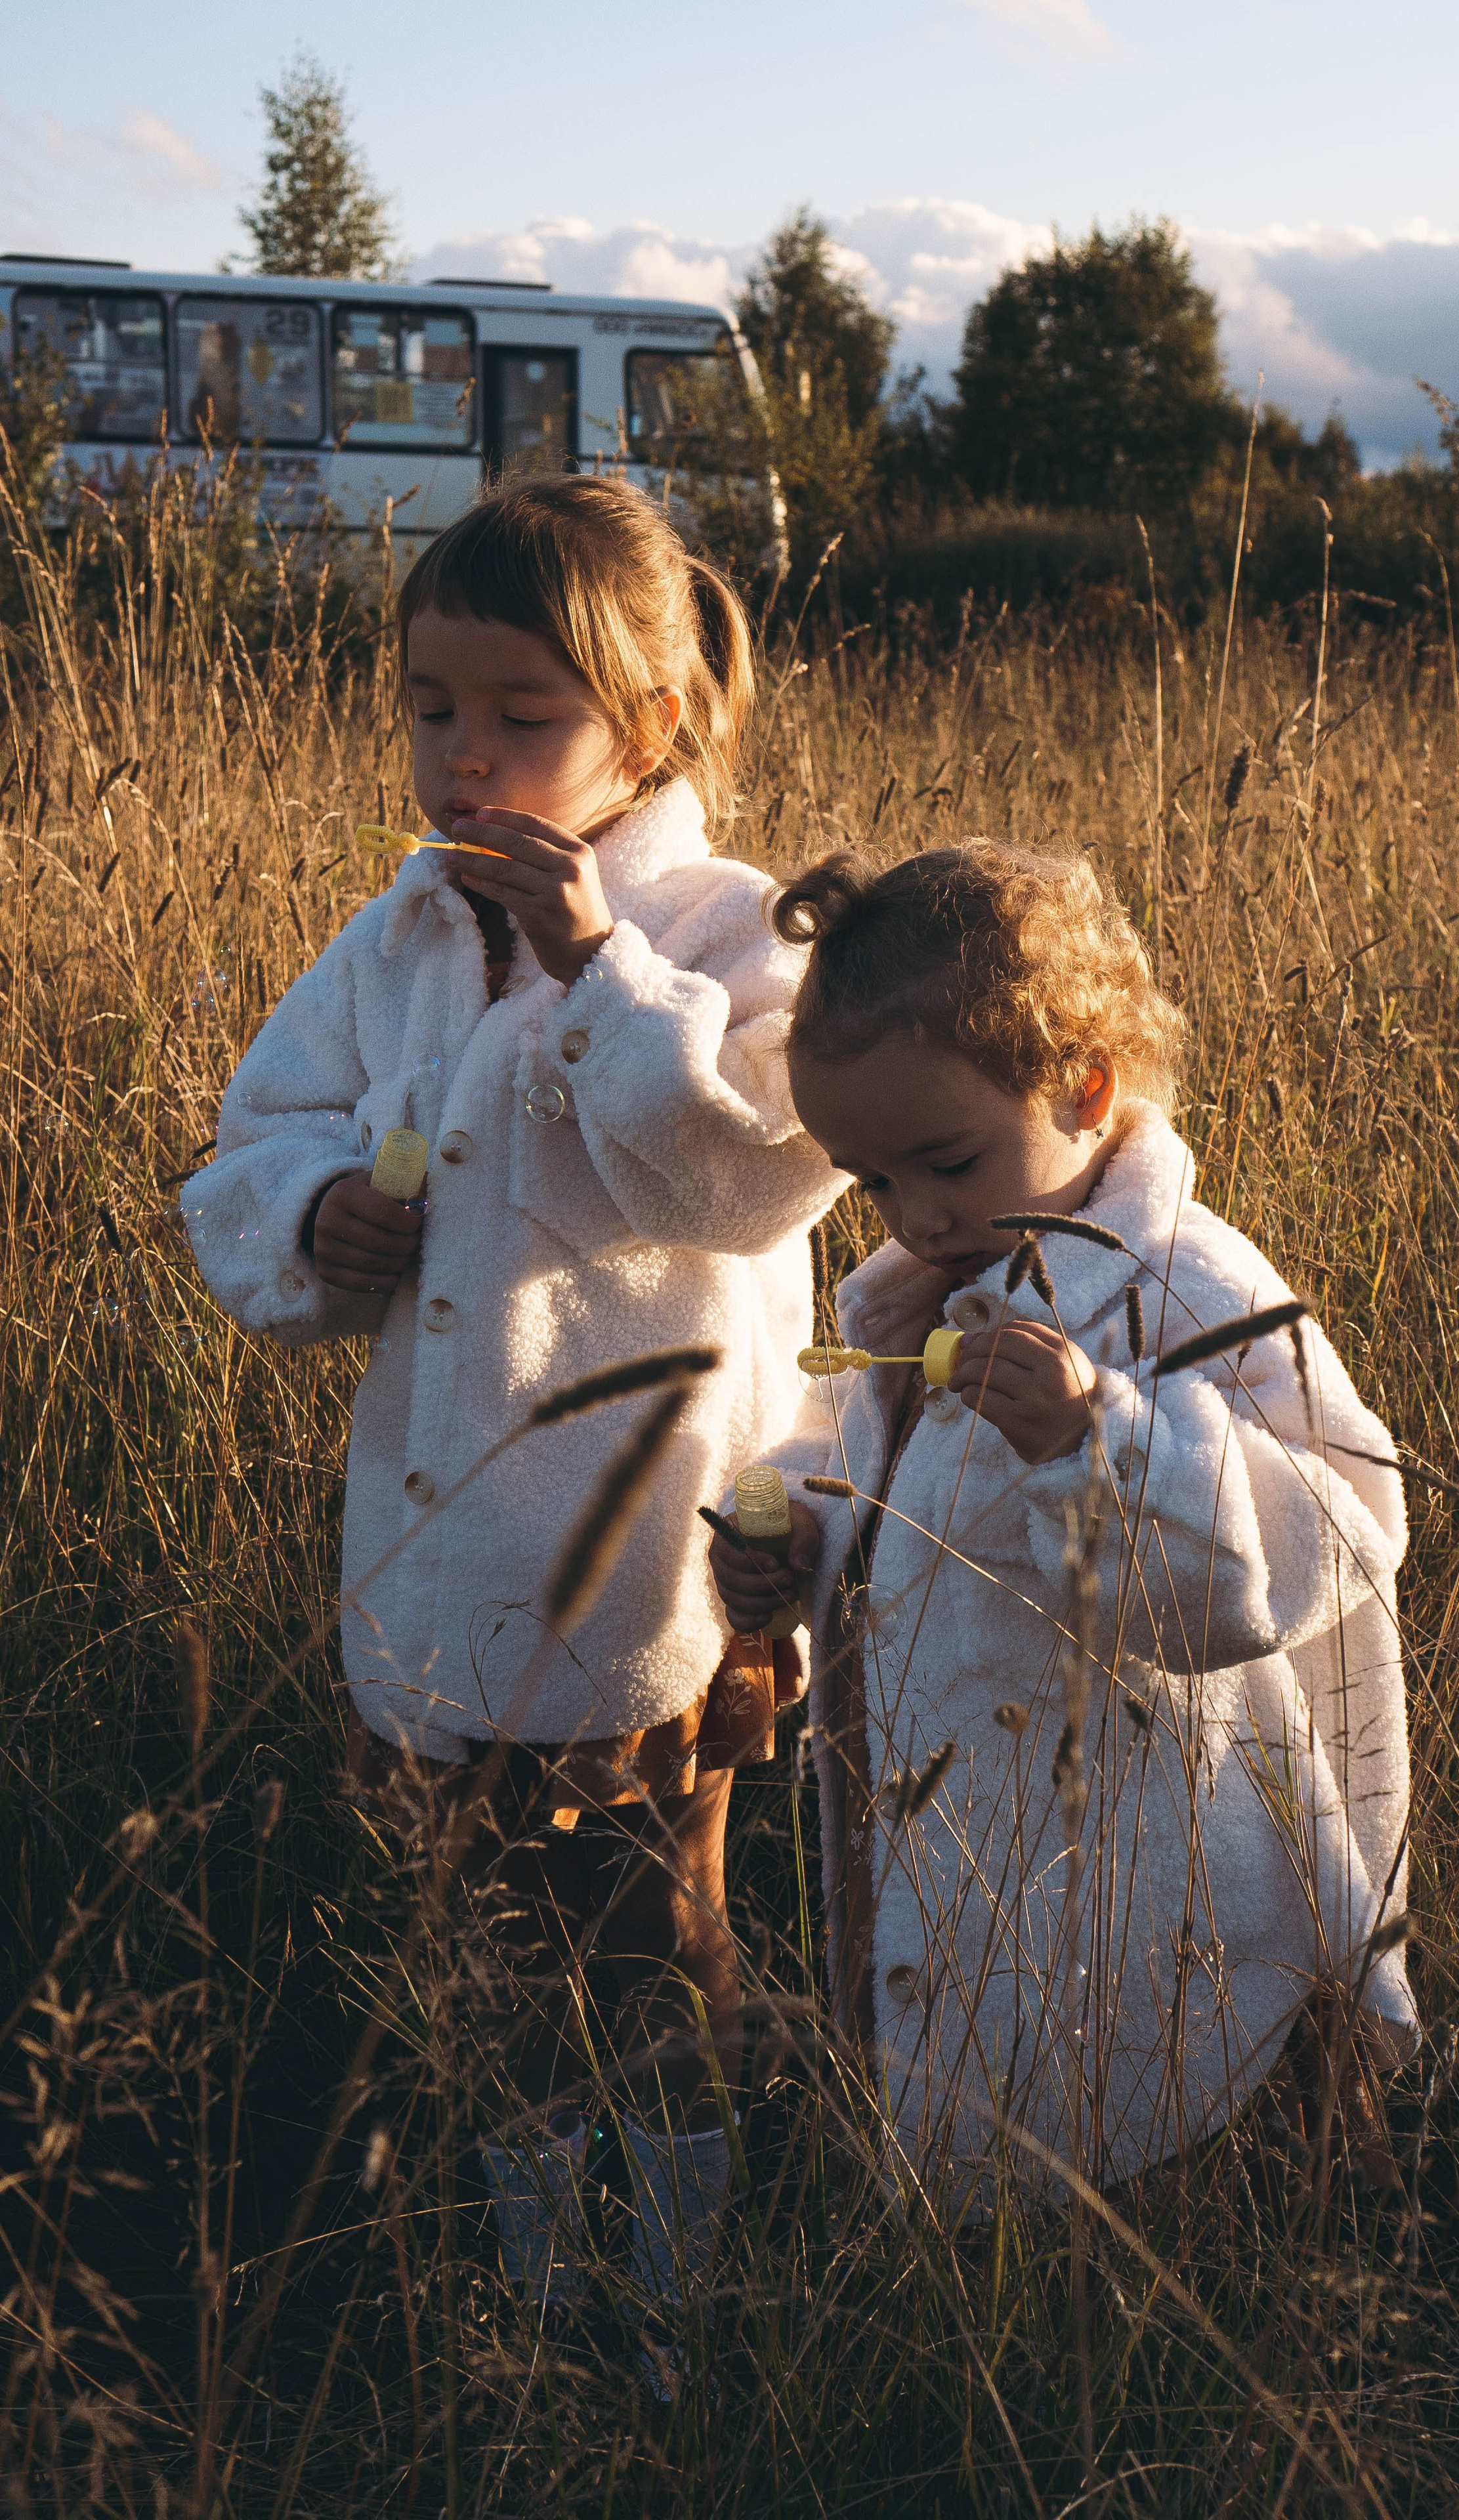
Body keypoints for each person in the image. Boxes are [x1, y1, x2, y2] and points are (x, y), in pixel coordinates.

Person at [186, 477, 838, 2307]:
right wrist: (316, 1216)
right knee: (479, 1941)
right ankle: (546, 2282)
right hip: (438, 1537)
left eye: (521, 715)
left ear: (655, 723)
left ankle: (680, 2288)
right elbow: (264, 1127)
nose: (463, 754)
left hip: (651, 1554)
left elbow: (756, 1170)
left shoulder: (729, 932)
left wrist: (595, 970)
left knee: (652, 1928)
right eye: (428, 706)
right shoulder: (401, 930)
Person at [708, 843, 1416, 2198]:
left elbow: (1339, 1537)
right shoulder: (919, 1285)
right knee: (987, 2107)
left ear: (1084, 1089)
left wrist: (1103, 1445)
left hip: (1161, 1867)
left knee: (1155, 2143)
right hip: (956, 1837)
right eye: (874, 1184)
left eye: (947, 1161)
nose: (918, 1215)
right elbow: (867, 1462)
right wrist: (800, 1540)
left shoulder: (1188, 1288)